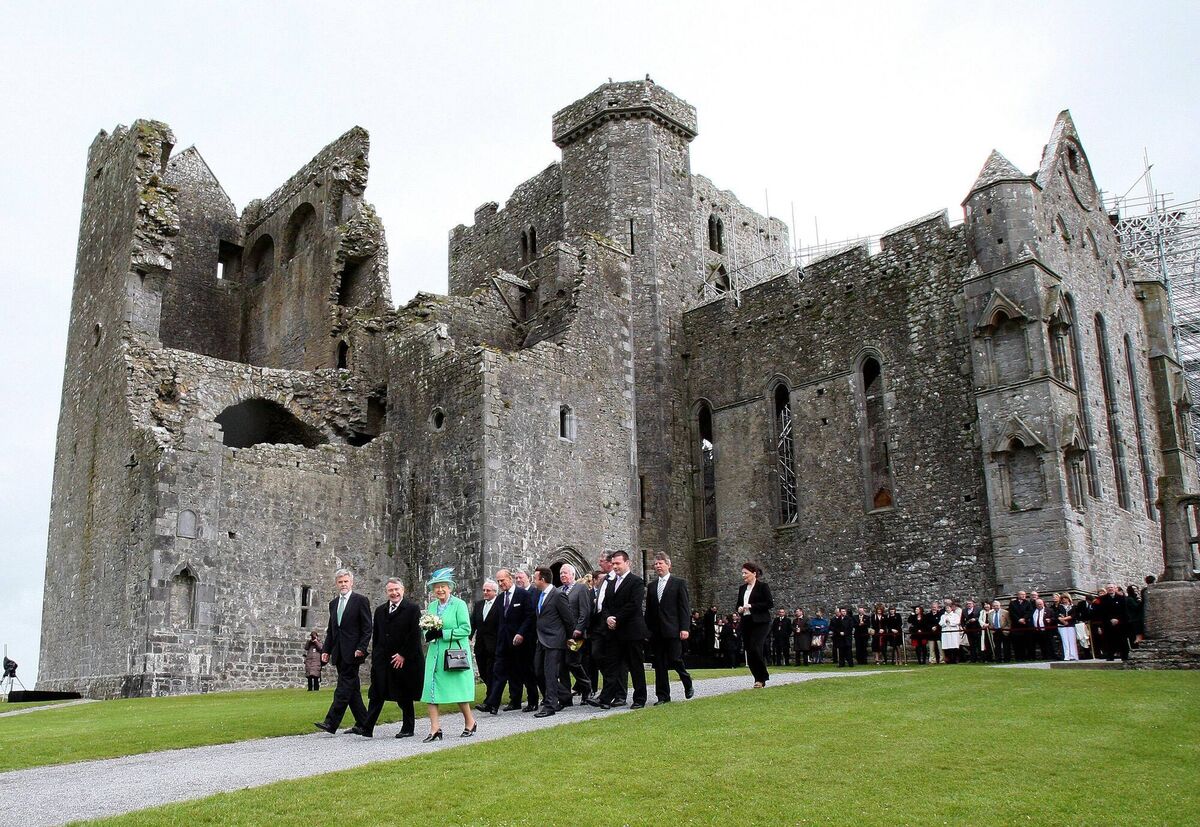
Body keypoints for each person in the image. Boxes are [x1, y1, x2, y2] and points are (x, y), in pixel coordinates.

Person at [354, 578, 424, 738]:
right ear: (387, 592)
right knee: (377, 694)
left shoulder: (412, 609)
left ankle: (408, 728)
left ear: (403, 590)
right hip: (383, 659)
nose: (394, 593)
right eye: (390, 590)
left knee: (404, 695)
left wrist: (403, 655)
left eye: (396, 589)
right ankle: (367, 727)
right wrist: (376, 658)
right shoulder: (380, 611)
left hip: (404, 660)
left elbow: (414, 635)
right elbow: (377, 636)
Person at [420, 568, 477, 741]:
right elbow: (426, 625)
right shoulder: (432, 606)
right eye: (436, 587)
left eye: (443, 586)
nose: (440, 590)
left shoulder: (458, 605)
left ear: (450, 588)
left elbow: (466, 629)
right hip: (435, 654)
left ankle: (470, 721)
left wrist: (443, 633)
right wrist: (428, 633)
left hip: (453, 653)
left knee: (458, 690)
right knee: (431, 689)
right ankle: (435, 728)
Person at [314, 569, 372, 734]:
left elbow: (367, 628)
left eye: (346, 581)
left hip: (354, 652)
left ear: (351, 582)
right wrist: (326, 650)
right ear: (336, 584)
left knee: (343, 686)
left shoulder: (360, 600)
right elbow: (332, 629)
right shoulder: (333, 604)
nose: (343, 584)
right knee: (352, 689)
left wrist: (361, 647)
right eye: (340, 582)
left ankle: (331, 722)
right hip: (338, 652)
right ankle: (364, 723)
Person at [594, 550, 649, 709]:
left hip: (632, 631)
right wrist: (607, 618)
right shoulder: (611, 583)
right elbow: (605, 605)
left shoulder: (636, 582)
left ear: (627, 562)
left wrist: (616, 618)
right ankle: (606, 698)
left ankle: (639, 698)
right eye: (614, 564)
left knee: (635, 666)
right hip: (614, 632)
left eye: (618, 563)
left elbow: (633, 605)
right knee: (612, 666)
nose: (615, 566)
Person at [476, 568, 533, 715]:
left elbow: (529, 616)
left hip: (520, 643)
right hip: (503, 643)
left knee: (524, 672)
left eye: (503, 580)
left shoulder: (523, 595)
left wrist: (521, 633)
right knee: (498, 672)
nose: (501, 583)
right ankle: (492, 704)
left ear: (510, 578)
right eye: (498, 581)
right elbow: (501, 621)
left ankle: (532, 701)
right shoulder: (501, 598)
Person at [644, 552, 694, 705]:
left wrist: (685, 628)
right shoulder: (652, 586)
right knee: (659, 664)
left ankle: (687, 681)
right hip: (657, 631)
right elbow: (650, 611)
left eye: (661, 563)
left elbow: (684, 608)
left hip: (673, 629)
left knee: (675, 659)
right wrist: (647, 630)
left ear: (668, 565)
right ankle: (663, 696)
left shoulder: (678, 583)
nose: (658, 566)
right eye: (656, 563)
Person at [530, 566, 574, 717]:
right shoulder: (539, 595)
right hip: (541, 640)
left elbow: (568, 619)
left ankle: (550, 705)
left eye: (535, 578)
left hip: (555, 640)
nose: (533, 581)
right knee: (538, 671)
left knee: (550, 674)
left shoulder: (557, 595)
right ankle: (565, 695)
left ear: (542, 579)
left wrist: (569, 639)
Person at [558, 563, 593, 703]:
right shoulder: (559, 590)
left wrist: (579, 628)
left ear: (573, 575)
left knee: (572, 661)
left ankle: (586, 687)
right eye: (561, 573)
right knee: (562, 666)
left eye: (565, 573)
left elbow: (585, 611)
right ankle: (566, 698)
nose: (562, 575)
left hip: (575, 634)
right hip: (561, 635)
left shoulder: (580, 588)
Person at [736, 562, 774, 686]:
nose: (743, 575)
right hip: (747, 622)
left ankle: (762, 678)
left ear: (754, 573)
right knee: (749, 650)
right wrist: (740, 608)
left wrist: (752, 606)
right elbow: (738, 604)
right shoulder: (742, 589)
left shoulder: (763, 586)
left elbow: (769, 604)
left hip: (761, 622)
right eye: (742, 573)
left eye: (745, 573)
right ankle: (757, 677)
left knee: (756, 647)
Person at [512, 570, 540, 711]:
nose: (518, 580)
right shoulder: (515, 595)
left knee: (535, 670)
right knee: (524, 671)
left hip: (533, 638)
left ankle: (538, 700)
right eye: (516, 578)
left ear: (529, 578)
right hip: (519, 638)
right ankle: (531, 700)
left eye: (521, 577)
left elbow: (534, 616)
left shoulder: (536, 593)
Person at [470, 579, 500, 691]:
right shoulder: (479, 605)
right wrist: (468, 638)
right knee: (483, 672)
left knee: (492, 671)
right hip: (480, 645)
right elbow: (472, 623)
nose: (485, 592)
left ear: (495, 592)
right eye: (484, 590)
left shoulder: (500, 604)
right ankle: (490, 693)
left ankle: (490, 698)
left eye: (488, 590)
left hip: (494, 645)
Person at [1095, 584, 1129, 661]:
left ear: (1115, 588)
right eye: (1109, 588)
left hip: (1120, 623)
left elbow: (1124, 611)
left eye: (1112, 587)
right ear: (1106, 589)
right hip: (1108, 623)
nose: (1110, 589)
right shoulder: (1102, 599)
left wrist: (1118, 619)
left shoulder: (1122, 598)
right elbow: (1101, 612)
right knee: (1109, 640)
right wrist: (1110, 619)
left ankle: (1125, 656)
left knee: (1122, 640)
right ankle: (1110, 656)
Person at [1009, 591, 1034, 661]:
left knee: (1028, 642)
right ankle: (1019, 657)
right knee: (1017, 643)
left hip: (1026, 625)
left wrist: (1024, 618)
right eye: (1021, 594)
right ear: (1018, 595)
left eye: (1024, 594)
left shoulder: (1028, 603)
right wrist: (1018, 619)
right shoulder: (1013, 603)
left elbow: (1030, 612)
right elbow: (1012, 613)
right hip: (1016, 626)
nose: (1023, 596)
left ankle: (1029, 657)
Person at [1054, 592, 1079, 661]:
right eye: (1062, 598)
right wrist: (1063, 621)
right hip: (1062, 626)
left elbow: (1074, 615)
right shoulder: (1059, 606)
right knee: (1065, 641)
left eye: (1065, 598)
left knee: (1072, 641)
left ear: (1068, 598)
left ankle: (1073, 656)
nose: (1064, 599)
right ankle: (1067, 656)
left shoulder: (1073, 607)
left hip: (1071, 625)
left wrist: (1065, 619)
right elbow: (1057, 615)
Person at [939, 599, 963, 664]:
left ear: (951, 608)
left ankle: (954, 660)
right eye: (946, 608)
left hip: (953, 632)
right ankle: (948, 660)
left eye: (948, 608)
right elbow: (940, 623)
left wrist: (950, 622)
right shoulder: (943, 616)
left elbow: (957, 622)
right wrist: (945, 622)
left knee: (954, 646)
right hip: (946, 632)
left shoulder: (955, 615)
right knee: (947, 647)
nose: (947, 609)